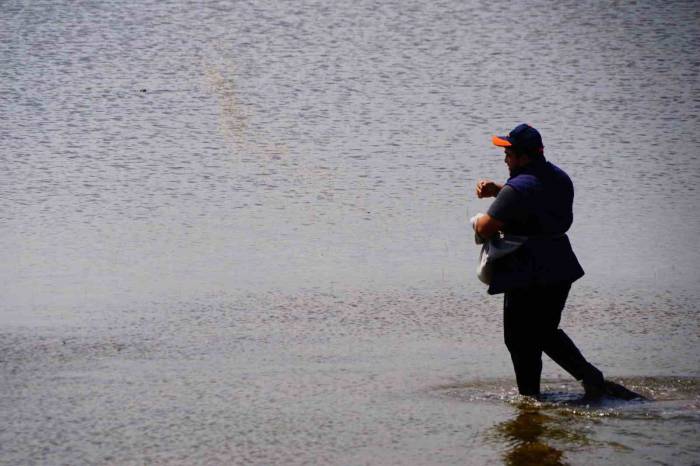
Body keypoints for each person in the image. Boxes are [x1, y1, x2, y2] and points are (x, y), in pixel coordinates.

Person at [474, 123, 641, 400]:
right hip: (560, 265)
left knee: (518, 339)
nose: (505, 159)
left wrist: (479, 220)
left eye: (509, 153)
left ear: (523, 156)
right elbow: (535, 195)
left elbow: (486, 229)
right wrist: (500, 190)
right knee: (544, 332)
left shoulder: (516, 191)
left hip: (526, 270)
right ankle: (590, 379)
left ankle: (530, 399)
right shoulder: (560, 178)